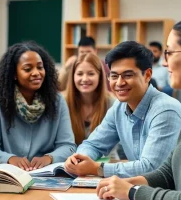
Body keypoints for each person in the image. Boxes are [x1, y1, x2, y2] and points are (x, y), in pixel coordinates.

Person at [96, 21, 181, 200]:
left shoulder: (167, 108)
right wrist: (136, 181)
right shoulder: (118, 107)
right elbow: (167, 171)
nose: (164, 62)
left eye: (169, 52)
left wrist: (133, 191)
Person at [65, 40, 181, 178]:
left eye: (128, 75)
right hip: (137, 190)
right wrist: (79, 159)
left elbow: (151, 168)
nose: (119, 83)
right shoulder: (119, 107)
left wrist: (97, 168)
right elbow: (93, 144)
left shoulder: (165, 109)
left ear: (148, 75)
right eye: (114, 76)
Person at [0, 41, 76, 170]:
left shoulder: (57, 100)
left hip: (45, 173)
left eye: (40, 67)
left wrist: (49, 158)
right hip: (9, 173)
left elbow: (68, 145)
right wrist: (9, 159)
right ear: (14, 74)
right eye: (27, 69)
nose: (36, 73)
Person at [66, 52, 114, 145]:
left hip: (106, 158)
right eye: (80, 74)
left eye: (91, 74)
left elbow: (111, 146)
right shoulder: (63, 103)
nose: (85, 79)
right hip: (69, 158)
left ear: (100, 77)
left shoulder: (112, 103)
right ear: (73, 77)